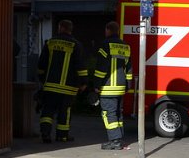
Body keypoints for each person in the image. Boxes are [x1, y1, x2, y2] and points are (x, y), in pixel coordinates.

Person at [37, 19, 87, 143]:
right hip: (68, 88)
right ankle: (62, 136)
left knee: (47, 110)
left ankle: (45, 134)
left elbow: (41, 65)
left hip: (50, 86)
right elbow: (80, 65)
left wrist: (43, 80)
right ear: (70, 29)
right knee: (65, 112)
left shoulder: (50, 42)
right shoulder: (76, 45)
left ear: (61, 28)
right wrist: (84, 83)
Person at [93, 21, 133, 150]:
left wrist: (96, 85)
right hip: (121, 87)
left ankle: (114, 141)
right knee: (117, 114)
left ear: (108, 30)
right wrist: (128, 85)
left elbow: (101, 68)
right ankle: (119, 139)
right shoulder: (125, 46)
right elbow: (129, 68)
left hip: (108, 87)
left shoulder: (105, 45)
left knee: (108, 113)